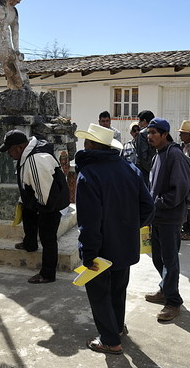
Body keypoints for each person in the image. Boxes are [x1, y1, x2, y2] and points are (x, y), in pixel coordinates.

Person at [74, 123, 154, 355]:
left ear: (90, 145)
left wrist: (88, 253)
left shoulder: (88, 174)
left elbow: (89, 221)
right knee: (118, 289)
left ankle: (110, 341)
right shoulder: (130, 169)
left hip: (100, 248)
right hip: (125, 244)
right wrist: (127, 228)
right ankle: (117, 328)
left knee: (100, 294)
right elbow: (148, 207)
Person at [0, 129, 69, 284]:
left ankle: (47, 274)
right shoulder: (27, 154)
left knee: (47, 237)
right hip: (40, 198)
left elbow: (45, 193)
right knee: (28, 213)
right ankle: (30, 243)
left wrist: (41, 209)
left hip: (50, 204)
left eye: (10, 150)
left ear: (19, 147)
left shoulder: (35, 160)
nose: (9, 154)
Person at [144, 118, 190, 321]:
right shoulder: (158, 155)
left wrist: (158, 203)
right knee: (158, 258)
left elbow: (180, 189)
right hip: (158, 217)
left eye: (154, 132)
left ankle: (173, 301)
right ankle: (165, 289)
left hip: (170, 218)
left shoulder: (174, 155)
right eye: (148, 132)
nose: (150, 136)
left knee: (170, 261)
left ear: (165, 134)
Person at [135, 110, 156, 185]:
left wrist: (150, 170)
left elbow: (143, 156)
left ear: (144, 121)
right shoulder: (159, 131)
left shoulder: (142, 134)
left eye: (140, 121)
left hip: (145, 171)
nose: (138, 124)